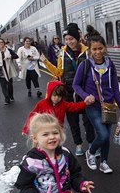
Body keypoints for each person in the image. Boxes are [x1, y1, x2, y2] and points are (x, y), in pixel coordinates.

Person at [72, 35, 120, 174]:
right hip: (93, 107)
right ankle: (91, 153)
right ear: (90, 50)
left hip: (109, 106)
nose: (98, 52)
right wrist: (86, 96)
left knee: (106, 137)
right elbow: (76, 85)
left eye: (100, 48)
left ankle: (104, 162)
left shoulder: (110, 65)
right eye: (94, 49)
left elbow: (115, 88)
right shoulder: (84, 65)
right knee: (102, 134)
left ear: (105, 48)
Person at [40, 24, 95, 156]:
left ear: (77, 38)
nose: (69, 42)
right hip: (69, 92)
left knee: (88, 120)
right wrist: (46, 62)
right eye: (67, 39)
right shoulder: (62, 53)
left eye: (71, 38)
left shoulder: (87, 51)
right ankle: (78, 144)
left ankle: (92, 143)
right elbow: (59, 72)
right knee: (73, 121)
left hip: (84, 91)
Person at [21, 80, 94, 135]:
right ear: (50, 93)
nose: (57, 98)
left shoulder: (63, 104)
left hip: (57, 130)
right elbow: (32, 115)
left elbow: (74, 106)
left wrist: (85, 103)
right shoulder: (42, 103)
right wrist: (26, 128)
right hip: (44, 130)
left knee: (57, 146)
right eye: (54, 95)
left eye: (59, 96)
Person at [0, 37, 19, 105]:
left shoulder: (8, 50)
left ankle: (11, 96)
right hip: (0, 70)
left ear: (4, 43)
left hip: (9, 69)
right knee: (3, 86)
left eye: (2, 42)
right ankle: (7, 99)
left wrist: (9, 57)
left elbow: (16, 56)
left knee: (9, 85)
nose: (1, 44)